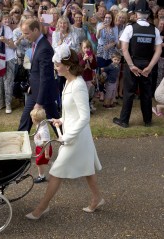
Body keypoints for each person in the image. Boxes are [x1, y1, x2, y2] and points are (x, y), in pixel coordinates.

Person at [25, 43, 103, 220]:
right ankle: (97, 198)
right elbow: (71, 111)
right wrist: (61, 120)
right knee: (87, 168)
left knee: (56, 171)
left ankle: (42, 208)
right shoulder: (69, 82)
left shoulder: (78, 85)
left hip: (76, 137)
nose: (55, 67)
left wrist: (66, 136)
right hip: (75, 135)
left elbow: (85, 117)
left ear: (67, 66)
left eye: (57, 64)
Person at [113, 0, 162, 128]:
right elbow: (158, 51)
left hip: (133, 64)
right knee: (146, 94)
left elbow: (124, 49)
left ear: (136, 13)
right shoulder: (154, 30)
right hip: (147, 64)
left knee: (129, 93)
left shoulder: (130, 28)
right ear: (148, 14)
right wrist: (149, 67)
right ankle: (147, 120)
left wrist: (131, 65)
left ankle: (124, 120)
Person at [18, 19, 59, 133]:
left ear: (36, 30)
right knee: (25, 121)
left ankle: (68, 144)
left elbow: (45, 77)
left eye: (27, 33)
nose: (25, 36)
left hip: (44, 95)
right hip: (35, 92)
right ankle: (20, 148)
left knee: (56, 124)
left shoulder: (44, 48)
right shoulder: (37, 44)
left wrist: (39, 103)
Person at [30, 108, 52, 184]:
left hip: (44, 149)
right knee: (42, 162)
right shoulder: (41, 124)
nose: (31, 120)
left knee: (39, 163)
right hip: (40, 147)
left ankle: (41, 176)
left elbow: (46, 142)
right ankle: (53, 165)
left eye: (32, 118)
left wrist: (46, 153)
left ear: (35, 120)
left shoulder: (43, 131)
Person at [78, 39, 97, 112]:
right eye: (85, 48)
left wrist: (91, 61)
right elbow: (79, 66)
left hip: (89, 77)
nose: (86, 49)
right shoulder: (80, 55)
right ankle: (83, 107)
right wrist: (83, 59)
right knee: (82, 93)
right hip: (82, 77)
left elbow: (94, 66)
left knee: (90, 91)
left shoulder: (92, 55)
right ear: (82, 48)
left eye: (88, 47)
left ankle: (89, 104)